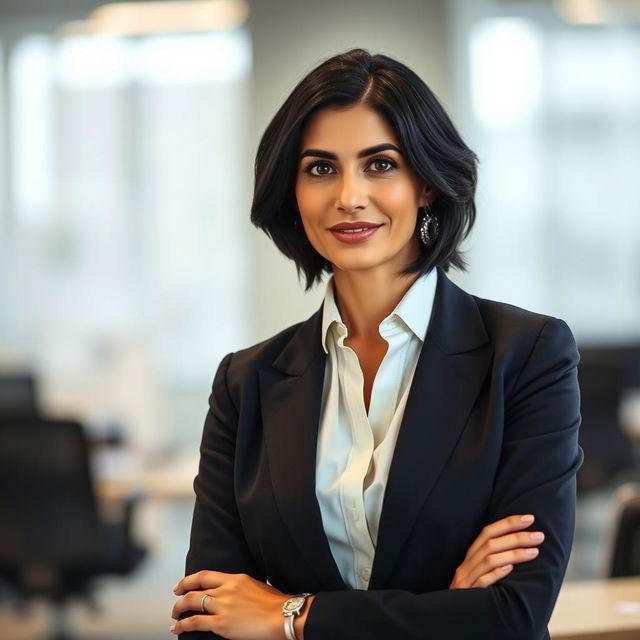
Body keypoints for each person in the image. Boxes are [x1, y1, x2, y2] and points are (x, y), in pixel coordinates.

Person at [170, 48, 582, 640]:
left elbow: (510, 616)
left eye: (380, 164)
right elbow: (207, 618)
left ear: (428, 186)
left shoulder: (528, 355)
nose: (348, 196)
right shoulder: (245, 383)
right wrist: (443, 608)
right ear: (293, 192)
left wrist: (287, 616)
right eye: (320, 168)